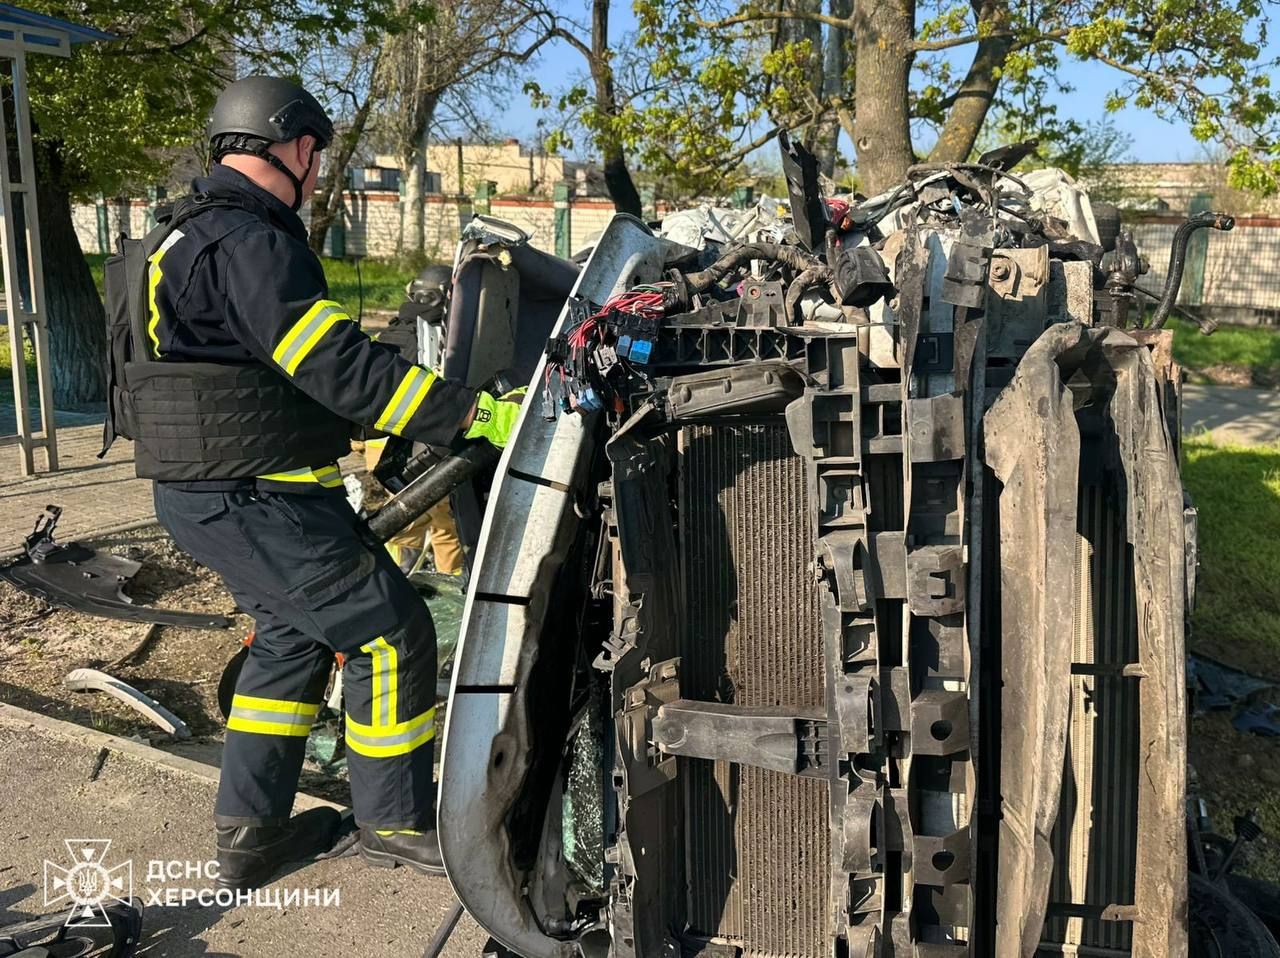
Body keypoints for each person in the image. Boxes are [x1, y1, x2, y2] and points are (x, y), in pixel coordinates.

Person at [122, 76, 522, 888]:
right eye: (314, 155)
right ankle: (395, 820)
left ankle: (251, 836)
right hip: (251, 496)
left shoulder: (182, 235)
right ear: (295, 148)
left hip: (210, 491)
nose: (314, 173)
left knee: (293, 636)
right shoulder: (248, 243)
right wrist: (476, 416)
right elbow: (340, 371)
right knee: (389, 628)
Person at [365, 265, 464, 576]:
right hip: (414, 449)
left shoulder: (388, 332)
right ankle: (448, 586)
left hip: (376, 444)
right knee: (442, 523)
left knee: (403, 522)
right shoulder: (439, 339)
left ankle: (400, 579)